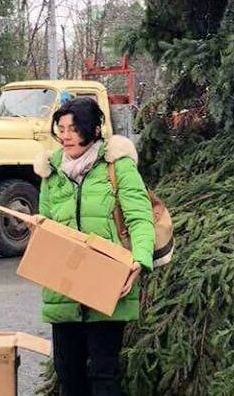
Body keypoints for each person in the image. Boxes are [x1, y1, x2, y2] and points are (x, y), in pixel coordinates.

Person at [33, 97, 155, 396]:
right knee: (69, 375)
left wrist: (139, 259)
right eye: (61, 128)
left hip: (106, 284)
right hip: (64, 288)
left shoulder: (117, 167)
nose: (66, 135)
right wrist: (38, 226)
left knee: (104, 375)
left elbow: (140, 218)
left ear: (94, 129)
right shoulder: (52, 173)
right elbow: (47, 220)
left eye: (74, 128)